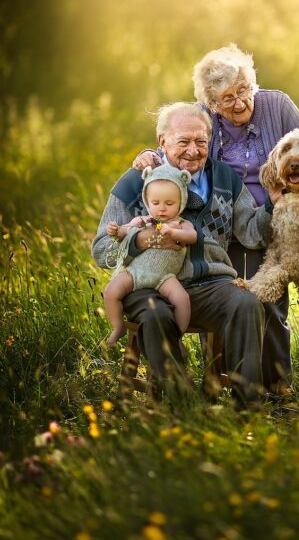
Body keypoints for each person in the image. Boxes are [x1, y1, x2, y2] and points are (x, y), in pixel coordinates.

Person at [133, 43, 299, 395]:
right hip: (214, 224)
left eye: (244, 91)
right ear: (211, 104)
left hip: (268, 223)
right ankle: (224, 381)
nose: (240, 102)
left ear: (253, 83)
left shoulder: (277, 106)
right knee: (216, 286)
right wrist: (148, 156)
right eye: (226, 99)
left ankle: (277, 386)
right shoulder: (204, 115)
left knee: (266, 296)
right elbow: (180, 144)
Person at [92, 102, 275, 403]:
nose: (193, 150)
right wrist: (140, 241)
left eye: (201, 141)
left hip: (209, 284)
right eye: (183, 141)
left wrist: (272, 204)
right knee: (155, 315)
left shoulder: (226, 179)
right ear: (162, 141)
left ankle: (248, 409)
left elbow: (252, 233)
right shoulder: (136, 181)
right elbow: (101, 249)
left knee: (246, 303)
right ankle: (183, 406)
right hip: (147, 284)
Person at [103, 165, 197, 346]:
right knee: (110, 292)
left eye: (169, 204)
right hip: (135, 272)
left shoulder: (181, 223)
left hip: (165, 277)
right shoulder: (143, 220)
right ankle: (117, 326)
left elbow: (192, 237)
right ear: (147, 201)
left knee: (182, 300)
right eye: (155, 203)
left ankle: (177, 337)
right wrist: (116, 231)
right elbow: (124, 233)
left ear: (181, 201)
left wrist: (174, 233)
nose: (161, 209)